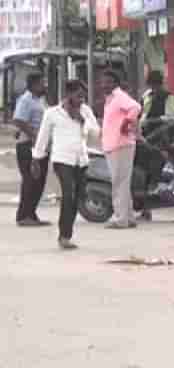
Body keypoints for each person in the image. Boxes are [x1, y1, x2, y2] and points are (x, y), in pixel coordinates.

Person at [32, 80, 100, 251]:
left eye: (83, 96)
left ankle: (66, 233)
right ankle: (64, 236)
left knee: (77, 198)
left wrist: (82, 120)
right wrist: (36, 159)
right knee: (68, 194)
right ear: (68, 94)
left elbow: (96, 133)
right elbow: (42, 137)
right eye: (78, 96)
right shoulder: (52, 113)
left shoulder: (85, 111)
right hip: (62, 160)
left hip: (81, 160)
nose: (81, 99)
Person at [101, 69, 141, 229]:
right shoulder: (110, 99)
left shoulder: (119, 96)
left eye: (108, 82)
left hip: (121, 144)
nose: (104, 84)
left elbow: (135, 107)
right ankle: (128, 216)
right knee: (122, 182)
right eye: (103, 82)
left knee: (119, 182)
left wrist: (126, 122)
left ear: (115, 83)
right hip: (113, 145)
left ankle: (120, 218)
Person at [13, 72, 49, 227]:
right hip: (29, 145)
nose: (45, 85)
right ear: (34, 84)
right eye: (42, 83)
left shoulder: (39, 100)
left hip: (39, 145)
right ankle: (23, 216)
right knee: (30, 179)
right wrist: (34, 136)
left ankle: (31, 214)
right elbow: (18, 119)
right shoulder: (26, 99)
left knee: (39, 180)